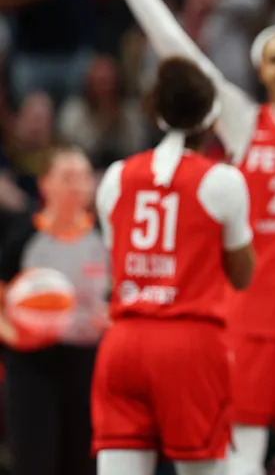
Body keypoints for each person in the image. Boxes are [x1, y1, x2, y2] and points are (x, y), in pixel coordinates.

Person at [80, 0, 275, 474]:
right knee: (236, 463)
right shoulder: (244, 122)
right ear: (259, 73)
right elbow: (176, 46)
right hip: (244, 326)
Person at [91, 57, 255, 475]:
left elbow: (118, 262)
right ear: (212, 116)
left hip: (124, 341)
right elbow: (242, 275)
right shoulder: (222, 181)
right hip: (190, 344)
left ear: (155, 113)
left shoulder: (115, 176)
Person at [0, 147, 109, 475]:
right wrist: (12, 333)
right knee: (36, 463)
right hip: (31, 369)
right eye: (67, 177)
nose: (76, 185)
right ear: (45, 183)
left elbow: (119, 300)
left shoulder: (105, 239)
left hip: (87, 367)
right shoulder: (23, 236)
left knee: (82, 465)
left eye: (83, 177)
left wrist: (110, 318)